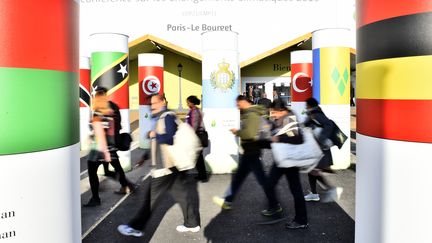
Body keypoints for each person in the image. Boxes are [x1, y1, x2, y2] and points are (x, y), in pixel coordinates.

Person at [117, 94, 201, 237]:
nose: (152, 106)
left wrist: (153, 134)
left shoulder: (167, 117)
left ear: (163, 102)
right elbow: (159, 143)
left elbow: (169, 139)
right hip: (172, 166)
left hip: (165, 167)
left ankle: (135, 227)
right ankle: (192, 224)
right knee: (181, 195)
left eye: (155, 103)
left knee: (150, 199)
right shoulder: (161, 117)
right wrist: (145, 156)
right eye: (151, 104)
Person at [212, 95, 269, 210]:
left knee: (261, 180)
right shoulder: (248, 113)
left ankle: (274, 204)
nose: (237, 107)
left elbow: (250, 134)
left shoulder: (252, 114)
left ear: (243, 102)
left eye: (238, 104)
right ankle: (228, 201)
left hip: (252, 152)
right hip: (248, 152)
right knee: (238, 179)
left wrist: (237, 132)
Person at [261, 99, 309, 229]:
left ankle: (301, 220)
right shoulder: (280, 118)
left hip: (290, 160)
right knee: (269, 184)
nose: (272, 115)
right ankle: (274, 206)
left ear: (282, 111)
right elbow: (273, 136)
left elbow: (298, 138)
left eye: (274, 113)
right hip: (282, 158)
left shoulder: (289, 117)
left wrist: (278, 138)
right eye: (271, 112)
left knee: (296, 190)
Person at [83, 88, 134, 207]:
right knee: (114, 168)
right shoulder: (111, 109)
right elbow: (113, 129)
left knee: (92, 172)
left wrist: (104, 150)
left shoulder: (98, 111)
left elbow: (100, 133)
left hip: (99, 149)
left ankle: (95, 198)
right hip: (111, 145)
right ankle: (126, 184)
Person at [303, 97, 339, 202]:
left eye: (306, 105)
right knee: (311, 171)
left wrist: (321, 138)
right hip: (315, 147)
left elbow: (329, 125)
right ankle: (314, 193)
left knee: (313, 170)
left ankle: (330, 189)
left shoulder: (317, 114)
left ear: (310, 105)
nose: (305, 106)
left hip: (319, 148)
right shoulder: (313, 113)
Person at [186, 95, 208, 182]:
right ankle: (202, 175)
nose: (187, 104)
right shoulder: (195, 110)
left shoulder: (195, 111)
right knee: (198, 156)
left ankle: (202, 175)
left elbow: (194, 124)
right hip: (197, 135)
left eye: (188, 102)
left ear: (192, 102)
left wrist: (190, 134)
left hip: (197, 135)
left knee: (198, 156)